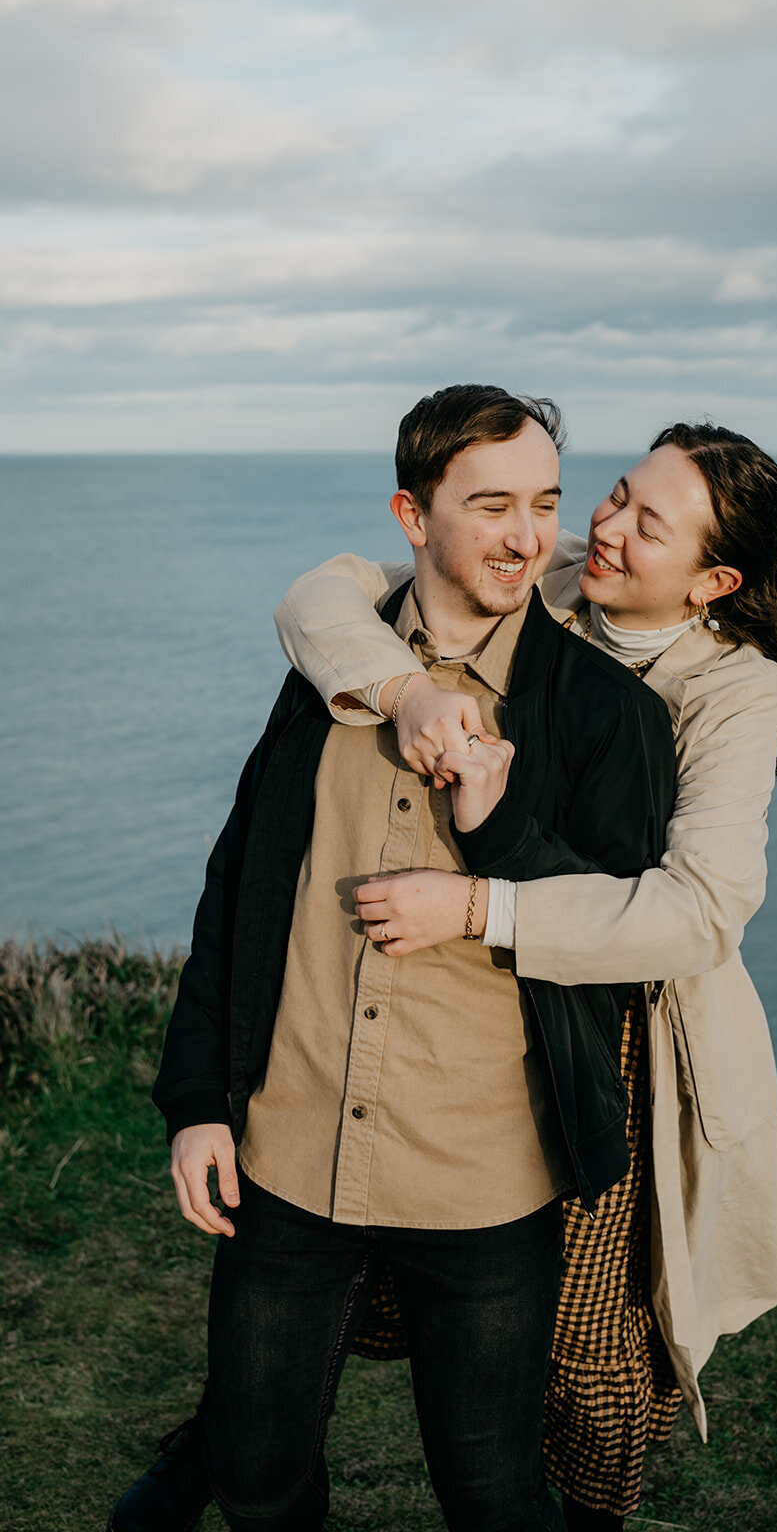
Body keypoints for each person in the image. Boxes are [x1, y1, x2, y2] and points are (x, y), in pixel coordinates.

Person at [108, 384, 678, 1532]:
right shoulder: (330, 685)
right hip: (287, 1152)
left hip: (484, 1180)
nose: (527, 538)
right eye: (489, 506)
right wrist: (197, 1102)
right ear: (410, 517)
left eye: (545, 505)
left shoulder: (606, 714)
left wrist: (494, 837)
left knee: (490, 1495)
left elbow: (624, 949)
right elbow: (239, 890)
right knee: (258, 1476)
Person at [265, 423, 777, 1528]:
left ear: (714, 581)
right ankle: (230, 1447)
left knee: (582, 1350)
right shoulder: (559, 573)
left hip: (613, 1025)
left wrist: (481, 906)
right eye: (613, 495)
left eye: (643, 524)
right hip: (451, 996)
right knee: (337, 1260)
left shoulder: (733, 687)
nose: (601, 529)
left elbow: (699, 909)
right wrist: (403, 694)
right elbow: (323, 596)